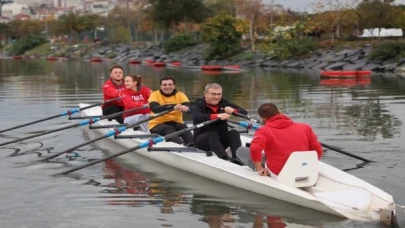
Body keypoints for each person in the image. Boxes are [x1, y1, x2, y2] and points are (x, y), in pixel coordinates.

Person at [249, 103, 323, 177]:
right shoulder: (305, 127)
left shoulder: (263, 131)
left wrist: (260, 169)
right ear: (279, 111)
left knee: (242, 150)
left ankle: (258, 169)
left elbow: (255, 149)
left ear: (263, 119)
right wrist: (310, 166)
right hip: (304, 170)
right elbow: (318, 150)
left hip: (278, 173)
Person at [190, 83, 248, 161]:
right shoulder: (197, 105)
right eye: (213, 94)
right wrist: (217, 116)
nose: (216, 97)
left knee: (234, 133)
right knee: (211, 134)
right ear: (205, 94)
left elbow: (244, 112)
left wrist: (234, 110)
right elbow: (196, 116)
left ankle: (237, 158)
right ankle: (225, 158)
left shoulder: (224, 103)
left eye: (219, 94)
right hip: (202, 142)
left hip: (220, 141)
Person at [148, 76, 193, 145]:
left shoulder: (181, 95)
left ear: (174, 86)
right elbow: (155, 109)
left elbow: (190, 107)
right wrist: (172, 106)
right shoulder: (154, 94)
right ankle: (179, 145)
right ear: (160, 86)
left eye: (170, 84)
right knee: (168, 128)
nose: (167, 87)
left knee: (184, 127)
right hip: (157, 124)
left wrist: (187, 108)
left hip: (176, 122)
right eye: (164, 85)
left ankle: (192, 144)